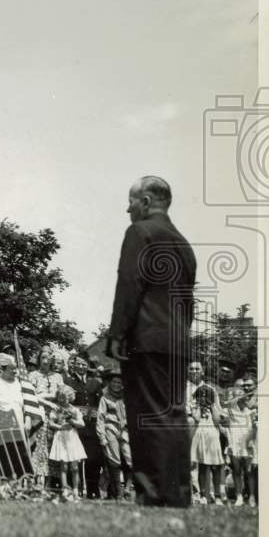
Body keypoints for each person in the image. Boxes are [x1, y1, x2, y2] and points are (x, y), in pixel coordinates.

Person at [106, 175, 196, 508]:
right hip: (177, 342)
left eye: (130, 201)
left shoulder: (139, 232)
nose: (126, 208)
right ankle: (178, 493)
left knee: (146, 417)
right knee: (173, 415)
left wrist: (117, 334)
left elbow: (129, 286)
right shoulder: (183, 243)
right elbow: (188, 302)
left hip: (146, 339)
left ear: (145, 201)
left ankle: (154, 494)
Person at [0, 353, 32, 478]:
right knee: (3, 456)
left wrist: (28, 420)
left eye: (15, 367)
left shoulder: (21, 384)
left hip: (19, 425)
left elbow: (28, 404)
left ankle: (21, 484)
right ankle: (4, 483)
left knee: (20, 457)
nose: (15, 371)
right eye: (11, 369)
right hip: (2, 426)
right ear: (3, 369)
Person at [64, 353, 103, 498]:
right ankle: (77, 489)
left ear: (87, 366)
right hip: (76, 425)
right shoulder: (68, 381)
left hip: (92, 426)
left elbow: (100, 404)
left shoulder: (95, 383)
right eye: (78, 364)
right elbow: (65, 403)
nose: (81, 367)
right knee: (75, 458)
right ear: (74, 365)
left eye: (84, 364)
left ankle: (93, 489)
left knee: (94, 458)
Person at [28, 347, 63, 487]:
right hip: (39, 414)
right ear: (39, 359)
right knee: (39, 447)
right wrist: (48, 399)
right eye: (43, 358)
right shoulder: (33, 375)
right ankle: (38, 480)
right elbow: (31, 396)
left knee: (53, 446)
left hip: (55, 415)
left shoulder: (58, 377)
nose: (46, 361)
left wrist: (42, 396)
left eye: (48, 358)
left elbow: (61, 395)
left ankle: (51, 482)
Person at [96, 369, 132, 500]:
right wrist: (102, 436)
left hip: (126, 430)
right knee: (114, 461)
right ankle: (118, 491)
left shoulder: (127, 397)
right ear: (110, 383)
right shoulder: (105, 398)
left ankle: (128, 488)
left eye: (119, 382)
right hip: (111, 428)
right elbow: (100, 417)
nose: (117, 384)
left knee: (130, 460)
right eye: (114, 382)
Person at [48, 385, 86, 499]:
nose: (61, 400)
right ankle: (65, 490)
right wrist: (60, 427)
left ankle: (75, 490)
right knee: (63, 467)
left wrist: (72, 421)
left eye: (64, 398)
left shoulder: (74, 410)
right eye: (59, 397)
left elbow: (82, 424)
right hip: (61, 437)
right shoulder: (56, 409)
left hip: (72, 438)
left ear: (70, 398)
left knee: (74, 467)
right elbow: (51, 423)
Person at [190, 383, 226, 504]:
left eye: (206, 395)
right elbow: (196, 418)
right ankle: (204, 494)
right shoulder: (195, 406)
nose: (204, 398)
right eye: (201, 395)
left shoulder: (215, 407)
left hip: (213, 436)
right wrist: (200, 407)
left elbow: (217, 420)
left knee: (215, 466)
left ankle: (217, 495)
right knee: (203, 465)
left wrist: (212, 405)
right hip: (201, 436)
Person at [224, 385, 254, 506]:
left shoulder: (250, 410)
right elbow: (227, 403)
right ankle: (239, 496)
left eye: (241, 393)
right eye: (236, 393)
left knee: (249, 471)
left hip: (248, 442)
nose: (239, 395)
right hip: (234, 442)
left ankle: (251, 496)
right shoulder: (230, 409)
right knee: (236, 470)